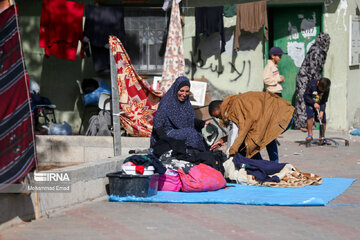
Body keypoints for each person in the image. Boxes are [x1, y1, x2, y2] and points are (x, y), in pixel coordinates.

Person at [208, 91, 294, 162]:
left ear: (220, 106)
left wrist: (230, 154)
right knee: (266, 136)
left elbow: (237, 131)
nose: (220, 118)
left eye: (218, 116)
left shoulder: (232, 110)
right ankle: (271, 164)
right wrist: (223, 140)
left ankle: (267, 165)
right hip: (286, 113)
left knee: (251, 142)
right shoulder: (233, 102)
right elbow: (238, 130)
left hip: (283, 118)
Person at [150, 76, 208, 152]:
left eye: (187, 91)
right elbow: (158, 124)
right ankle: (193, 154)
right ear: (176, 89)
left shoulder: (186, 104)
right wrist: (166, 142)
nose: (184, 94)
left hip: (180, 132)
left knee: (197, 133)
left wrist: (203, 123)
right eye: (181, 91)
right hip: (167, 133)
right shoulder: (167, 102)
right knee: (191, 134)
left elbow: (191, 120)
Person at [304, 77, 331, 143]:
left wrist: (321, 111)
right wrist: (314, 103)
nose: (322, 91)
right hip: (310, 103)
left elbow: (324, 101)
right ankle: (310, 135)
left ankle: (322, 137)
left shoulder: (326, 89)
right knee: (310, 115)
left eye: (323, 91)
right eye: (321, 89)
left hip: (320, 104)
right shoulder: (311, 85)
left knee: (323, 119)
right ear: (318, 83)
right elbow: (306, 96)